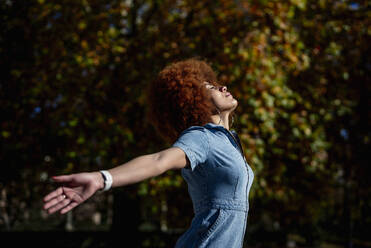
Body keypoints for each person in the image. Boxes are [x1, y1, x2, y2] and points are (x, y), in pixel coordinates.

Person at [43, 58, 254, 248]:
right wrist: (102, 178)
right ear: (195, 101)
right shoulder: (201, 138)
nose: (223, 87)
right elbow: (158, 160)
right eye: (212, 88)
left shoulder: (229, 142)